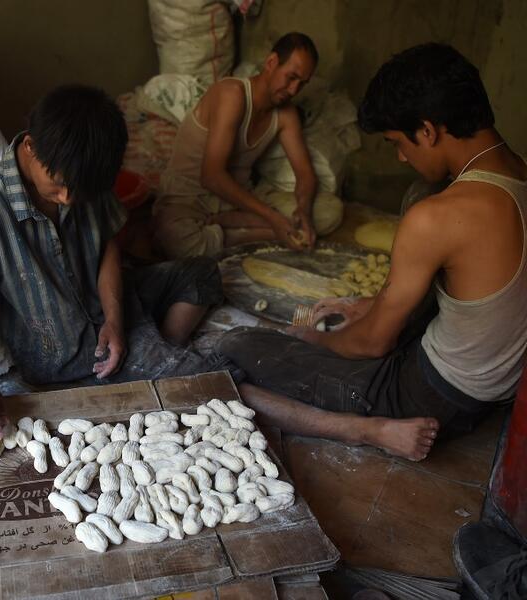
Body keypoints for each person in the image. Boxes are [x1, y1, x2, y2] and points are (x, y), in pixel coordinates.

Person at [216, 43, 527, 461]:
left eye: (398, 142)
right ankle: (381, 316)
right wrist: (372, 304)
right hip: (498, 388)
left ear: (428, 130)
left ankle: (367, 429)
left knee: (238, 346)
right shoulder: (517, 173)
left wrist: (310, 339)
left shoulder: (439, 217)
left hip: (434, 399)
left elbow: (372, 345)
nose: (400, 156)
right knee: (421, 195)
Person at [0, 85, 224, 447]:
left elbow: (110, 243)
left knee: (203, 272)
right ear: (30, 148)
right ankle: (146, 366)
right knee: (206, 383)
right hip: (69, 351)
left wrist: (115, 319)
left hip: (113, 302)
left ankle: (155, 354)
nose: (68, 199)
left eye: (78, 190)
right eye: (59, 186)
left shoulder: (85, 172)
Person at [152, 32, 343, 259]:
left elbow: (305, 175)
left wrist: (303, 209)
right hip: (190, 199)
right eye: (291, 77)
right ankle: (261, 232)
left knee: (329, 211)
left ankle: (233, 226)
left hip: (236, 202)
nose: (293, 90)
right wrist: (273, 219)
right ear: (271, 63)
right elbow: (211, 176)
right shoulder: (232, 95)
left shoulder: (286, 114)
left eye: (302, 84)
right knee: (180, 242)